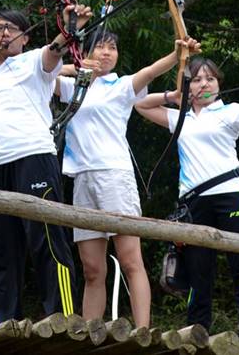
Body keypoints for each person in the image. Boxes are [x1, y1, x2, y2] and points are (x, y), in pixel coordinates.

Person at [134, 57, 239, 337]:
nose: (204, 84)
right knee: (198, 271)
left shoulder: (231, 112)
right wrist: (175, 96)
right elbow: (140, 104)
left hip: (232, 196)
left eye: (210, 79)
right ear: (189, 85)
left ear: (218, 84)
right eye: (197, 79)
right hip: (193, 203)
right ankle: (196, 333)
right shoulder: (179, 118)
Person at [0, 5, 92, 325]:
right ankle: (3, 322)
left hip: (35, 159)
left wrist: (71, 27)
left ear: (25, 38)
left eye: (13, 29)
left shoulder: (35, 62)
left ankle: (63, 318)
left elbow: (55, 50)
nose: (6, 33)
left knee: (46, 240)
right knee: (1, 248)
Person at [55, 32, 202, 328]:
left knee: (130, 259)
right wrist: (76, 67)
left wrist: (177, 55)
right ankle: (90, 333)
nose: (107, 53)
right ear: (84, 51)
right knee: (92, 269)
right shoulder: (71, 86)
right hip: (81, 178)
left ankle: (142, 331)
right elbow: (42, 69)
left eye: (113, 48)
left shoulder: (120, 85)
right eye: (100, 46)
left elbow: (149, 71)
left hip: (114, 175)